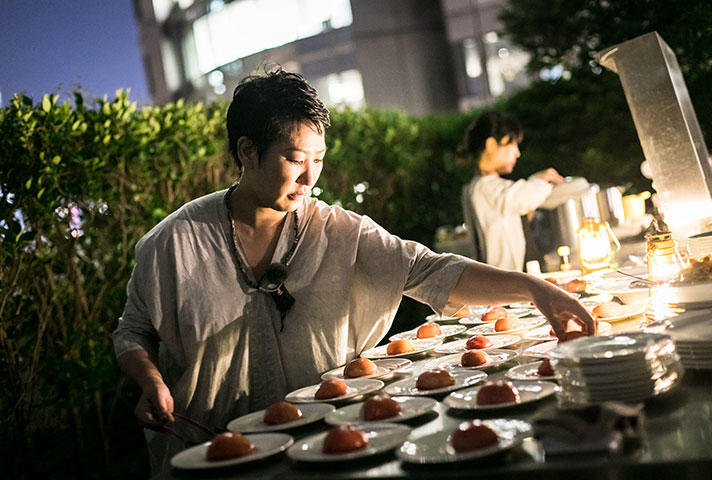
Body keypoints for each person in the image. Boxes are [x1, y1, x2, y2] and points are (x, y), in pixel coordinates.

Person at [113, 69, 595, 474]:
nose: (309, 179)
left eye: (318, 161)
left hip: (329, 450)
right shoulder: (171, 243)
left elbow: (431, 271)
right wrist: (150, 381)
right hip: (211, 456)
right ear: (246, 151)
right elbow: (133, 332)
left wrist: (534, 289)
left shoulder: (342, 231)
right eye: (295, 160)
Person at [459, 111, 564, 271]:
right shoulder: (486, 187)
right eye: (512, 145)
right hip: (502, 284)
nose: (517, 153)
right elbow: (525, 196)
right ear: (491, 145)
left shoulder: (478, 187)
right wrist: (543, 179)